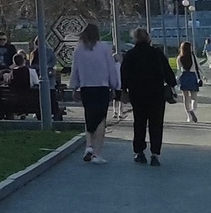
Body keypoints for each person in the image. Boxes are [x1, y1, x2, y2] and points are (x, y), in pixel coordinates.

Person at [119, 26, 174, 165]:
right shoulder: (156, 53)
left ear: (135, 38)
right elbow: (167, 72)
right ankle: (155, 154)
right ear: (148, 37)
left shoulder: (130, 55)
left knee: (139, 122)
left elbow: (124, 74)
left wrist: (124, 90)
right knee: (156, 123)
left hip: (137, 94)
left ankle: (139, 152)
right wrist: (171, 83)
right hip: (156, 93)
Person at [71, 23, 122, 163]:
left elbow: (74, 69)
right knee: (100, 119)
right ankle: (97, 153)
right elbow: (111, 68)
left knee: (89, 116)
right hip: (102, 87)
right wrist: (115, 85)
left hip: (86, 87)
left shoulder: (79, 49)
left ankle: (88, 145)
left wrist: (74, 87)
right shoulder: (105, 48)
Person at [175, 40, 203, 123]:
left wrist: (176, 80)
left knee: (185, 97)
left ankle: (188, 116)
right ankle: (193, 110)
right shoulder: (193, 56)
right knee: (194, 96)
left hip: (184, 77)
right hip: (192, 76)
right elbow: (198, 67)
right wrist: (204, 75)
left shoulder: (179, 57)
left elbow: (178, 70)